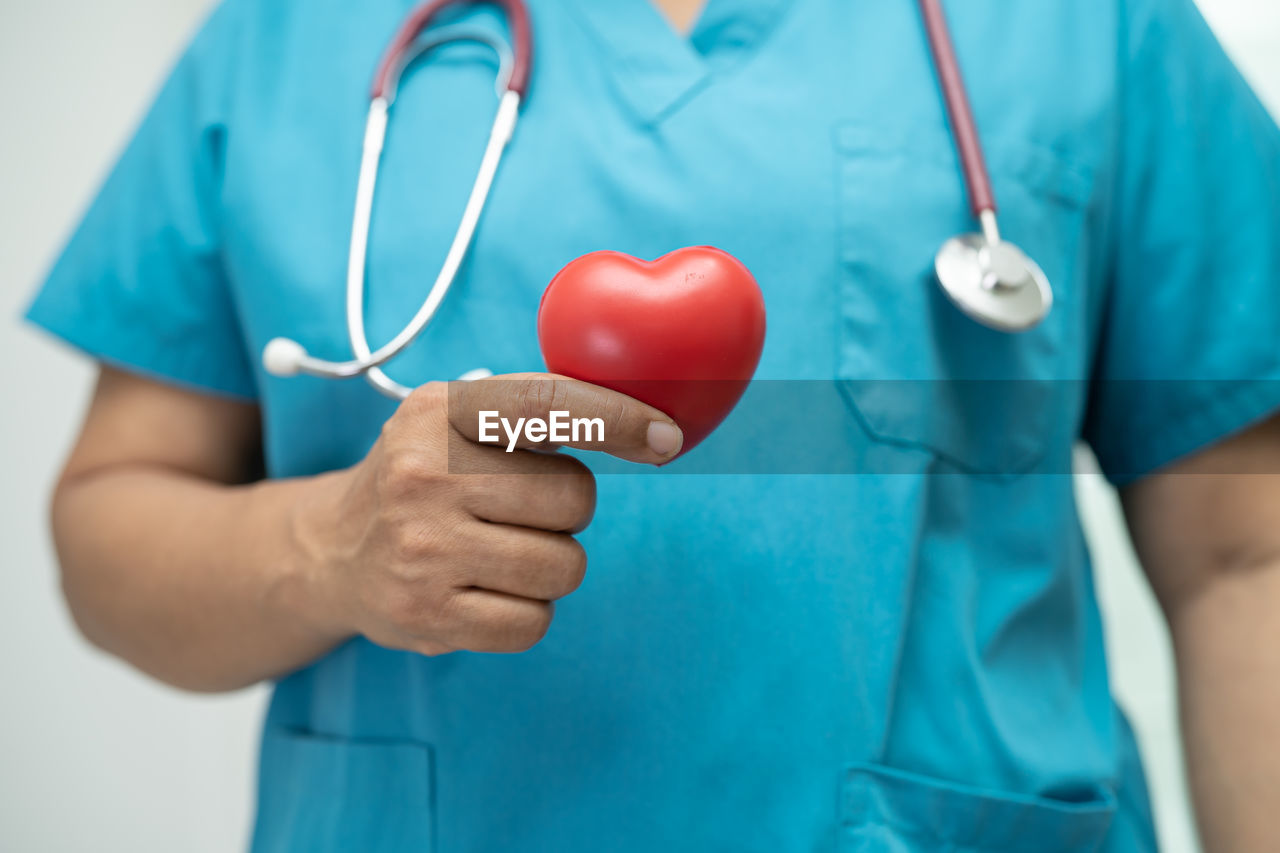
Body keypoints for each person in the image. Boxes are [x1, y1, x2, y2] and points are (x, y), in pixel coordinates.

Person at [25, 0, 1280, 850]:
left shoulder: (1088, 27)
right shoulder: (286, 35)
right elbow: (112, 515)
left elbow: (1245, 554)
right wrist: (328, 545)